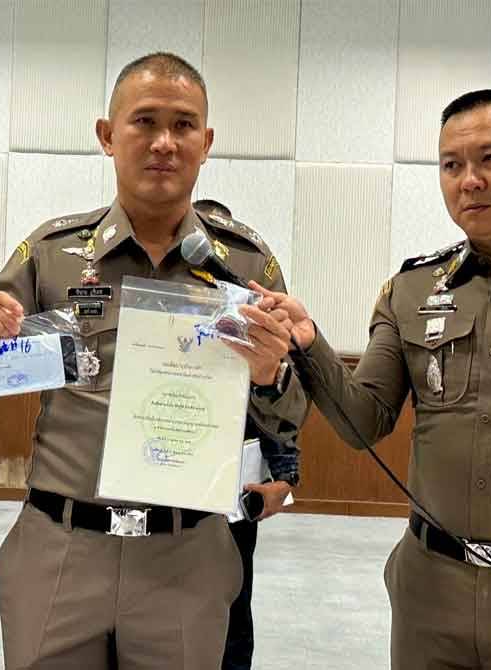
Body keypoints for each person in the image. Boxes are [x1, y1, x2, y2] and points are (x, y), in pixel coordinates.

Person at [0, 52, 307, 670]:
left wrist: (272, 373)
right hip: (60, 545)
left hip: (187, 552)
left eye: (184, 125)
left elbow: (292, 413)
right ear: (108, 136)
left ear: (207, 141)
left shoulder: (245, 265)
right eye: (144, 122)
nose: (164, 142)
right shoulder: (52, 252)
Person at [272, 89, 491, 668]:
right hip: (431, 597)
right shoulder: (412, 291)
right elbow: (361, 422)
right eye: (451, 165)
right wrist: (309, 342)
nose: (469, 180)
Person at [193, 198, 298, 670]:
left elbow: (274, 402)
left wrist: (286, 478)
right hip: (162, 478)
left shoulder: (251, 315)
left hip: (234, 487)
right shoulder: (161, 310)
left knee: (232, 607)